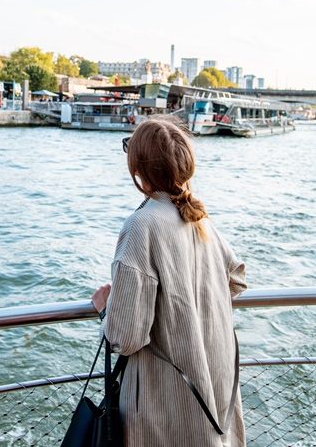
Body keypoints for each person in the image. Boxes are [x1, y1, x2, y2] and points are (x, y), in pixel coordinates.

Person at [92, 116, 247, 446]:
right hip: (214, 391)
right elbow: (236, 280)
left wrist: (107, 309)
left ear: (140, 168)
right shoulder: (198, 218)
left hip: (167, 406)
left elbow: (126, 337)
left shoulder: (141, 226)